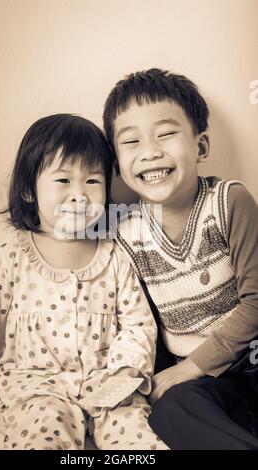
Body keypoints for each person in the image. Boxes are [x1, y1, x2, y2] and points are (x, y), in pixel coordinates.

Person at [0, 113, 166, 450]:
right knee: (44, 431)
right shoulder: (12, 257)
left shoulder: (115, 256)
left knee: (138, 439)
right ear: (28, 190)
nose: (80, 195)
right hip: (37, 387)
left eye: (93, 181)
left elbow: (138, 325)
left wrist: (127, 370)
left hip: (108, 384)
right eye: (63, 181)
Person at [103, 68, 258, 449]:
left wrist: (195, 364)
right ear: (117, 162)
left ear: (201, 146)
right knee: (169, 410)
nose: (150, 151)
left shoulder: (228, 202)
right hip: (201, 385)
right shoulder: (126, 232)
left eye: (166, 134)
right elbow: (140, 319)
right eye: (131, 141)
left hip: (250, 359)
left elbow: (256, 300)